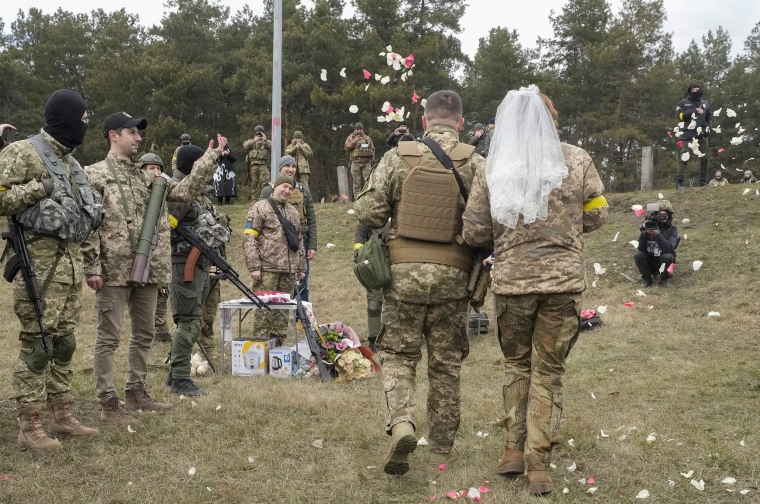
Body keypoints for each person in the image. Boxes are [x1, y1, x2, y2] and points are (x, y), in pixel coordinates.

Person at [462, 86, 608, 495]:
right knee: (549, 371)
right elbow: (598, 213)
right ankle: (539, 466)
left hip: (512, 285)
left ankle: (512, 452)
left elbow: (473, 230)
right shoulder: (577, 159)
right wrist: (568, 227)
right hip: (563, 282)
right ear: (551, 118)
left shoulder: (492, 166)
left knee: (517, 365)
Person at [355, 89, 483, 475]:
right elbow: (487, 225)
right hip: (454, 278)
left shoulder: (398, 157)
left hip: (404, 276)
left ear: (424, 120)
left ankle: (403, 425)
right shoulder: (477, 163)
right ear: (460, 123)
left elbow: (369, 212)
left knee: (398, 356)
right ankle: (441, 449)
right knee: (445, 366)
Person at [83, 111, 227, 424]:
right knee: (109, 337)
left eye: (138, 133)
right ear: (113, 135)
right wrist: (92, 266)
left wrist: (210, 158)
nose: (138, 138)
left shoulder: (148, 177)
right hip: (113, 270)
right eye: (131, 133)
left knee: (145, 333)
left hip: (147, 269)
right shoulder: (93, 174)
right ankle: (108, 402)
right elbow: (89, 225)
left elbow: (185, 191)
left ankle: (136, 391)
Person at [0, 89, 102, 450]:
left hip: (70, 269)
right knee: (37, 345)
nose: (85, 125)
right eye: (83, 119)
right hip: (38, 270)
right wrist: (39, 187)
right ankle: (29, 425)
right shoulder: (23, 152)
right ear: (65, 117)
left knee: (64, 343)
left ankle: (61, 414)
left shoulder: (72, 164)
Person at [165, 145, 231, 395]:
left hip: (199, 264)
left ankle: (175, 373)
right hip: (184, 265)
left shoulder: (199, 193)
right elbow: (167, 230)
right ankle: (180, 378)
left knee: (194, 319)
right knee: (189, 321)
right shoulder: (179, 193)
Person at [243, 175, 307, 343]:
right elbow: (249, 238)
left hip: (288, 271)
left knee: (282, 313)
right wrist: (254, 266)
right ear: (275, 187)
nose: (286, 191)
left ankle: (278, 347)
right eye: (284, 187)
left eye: (290, 188)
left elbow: (298, 241)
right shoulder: (259, 208)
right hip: (266, 270)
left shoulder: (293, 212)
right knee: (264, 311)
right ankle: (260, 349)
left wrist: (301, 267)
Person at [260, 155, 317, 301]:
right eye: (287, 166)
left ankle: (301, 320)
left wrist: (312, 245)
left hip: (299, 243)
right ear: (280, 169)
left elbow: (311, 220)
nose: (291, 169)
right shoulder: (268, 190)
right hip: (274, 246)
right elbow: (259, 219)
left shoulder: (304, 191)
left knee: (302, 283)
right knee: (276, 285)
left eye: (293, 167)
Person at [138, 153, 173, 344]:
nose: (156, 172)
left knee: (163, 291)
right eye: (151, 168)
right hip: (143, 252)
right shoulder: (137, 192)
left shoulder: (164, 192)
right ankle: (146, 331)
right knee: (145, 294)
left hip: (161, 253)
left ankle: (161, 328)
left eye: (159, 168)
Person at [353, 221, 390, 351]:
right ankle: (374, 339)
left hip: (400, 257)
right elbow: (362, 228)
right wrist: (359, 249)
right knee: (374, 304)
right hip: (376, 257)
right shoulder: (376, 205)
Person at [634, 200, 679, 288]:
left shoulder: (672, 230)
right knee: (638, 255)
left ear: (669, 215)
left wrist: (657, 234)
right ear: (655, 215)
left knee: (668, 256)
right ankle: (647, 278)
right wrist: (644, 234)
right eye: (660, 215)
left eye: (665, 214)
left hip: (662, 262)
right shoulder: (649, 227)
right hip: (650, 261)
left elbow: (669, 248)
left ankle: (664, 278)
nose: (663, 217)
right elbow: (641, 248)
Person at [675, 82, 712, 188]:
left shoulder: (705, 104)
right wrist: (694, 111)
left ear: (700, 91)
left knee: (705, 158)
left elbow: (709, 117)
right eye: (693, 90)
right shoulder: (682, 103)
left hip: (702, 136)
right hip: (688, 135)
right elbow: (679, 117)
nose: (695, 92)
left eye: (697, 90)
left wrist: (708, 127)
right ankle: (679, 183)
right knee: (684, 158)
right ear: (690, 91)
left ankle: (703, 183)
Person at [345, 122, 376, 199]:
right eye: (357, 129)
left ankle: (369, 198)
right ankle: (357, 199)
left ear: (362, 129)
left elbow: (372, 148)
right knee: (356, 183)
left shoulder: (367, 138)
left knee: (368, 181)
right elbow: (347, 147)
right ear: (355, 130)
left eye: (360, 129)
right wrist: (355, 140)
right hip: (355, 163)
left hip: (366, 163)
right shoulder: (350, 137)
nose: (359, 131)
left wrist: (372, 156)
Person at [243, 125, 272, 199]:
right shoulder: (252, 141)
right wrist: (254, 140)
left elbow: (273, 147)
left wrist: (265, 139)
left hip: (264, 165)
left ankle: (265, 197)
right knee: (254, 182)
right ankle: (254, 198)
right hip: (253, 165)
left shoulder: (266, 142)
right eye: (257, 133)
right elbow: (245, 146)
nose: (259, 135)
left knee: (265, 182)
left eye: (260, 133)